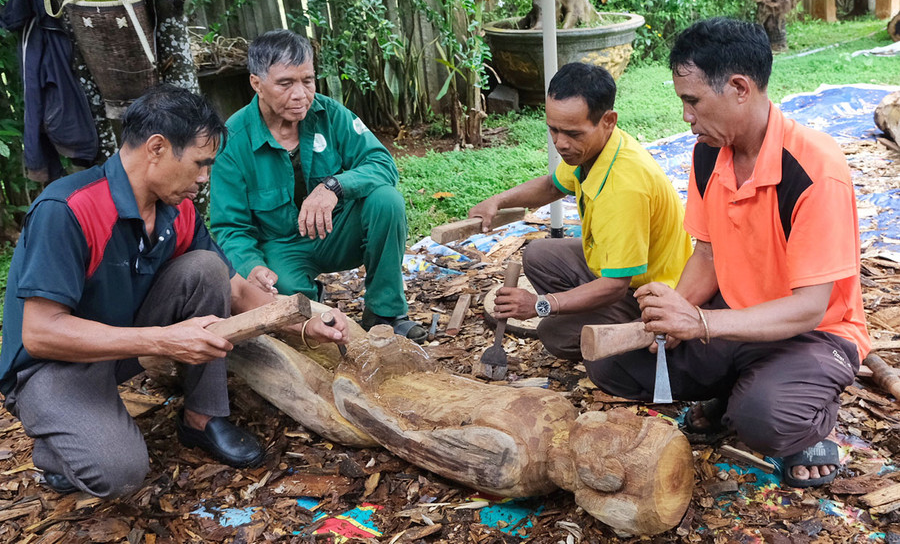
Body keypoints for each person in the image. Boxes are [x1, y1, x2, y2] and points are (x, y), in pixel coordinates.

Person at [0, 84, 349, 499]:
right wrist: (164, 340)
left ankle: (202, 417)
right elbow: (40, 334)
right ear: (157, 148)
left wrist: (305, 322)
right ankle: (57, 446)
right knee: (120, 473)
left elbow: (234, 286)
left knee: (206, 269)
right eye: (200, 164)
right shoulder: (69, 209)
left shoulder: (176, 209)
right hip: (50, 366)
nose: (205, 179)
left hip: (119, 345)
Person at [589, 17, 868, 488]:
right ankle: (737, 387)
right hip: (734, 321)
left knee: (764, 419)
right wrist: (675, 314)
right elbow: (708, 255)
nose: (686, 117)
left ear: (739, 87)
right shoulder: (707, 154)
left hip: (816, 334)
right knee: (611, 365)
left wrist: (700, 324)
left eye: (692, 100)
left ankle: (810, 424)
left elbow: (809, 307)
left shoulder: (815, 170)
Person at [210, 29, 426, 343]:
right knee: (288, 313)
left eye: (307, 80)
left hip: (337, 233)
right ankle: (313, 303)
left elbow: (383, 165)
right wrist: (251, 266)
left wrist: (334, 186)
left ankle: (385, 312)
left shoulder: (331, 114)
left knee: (386, 200)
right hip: (282, 246)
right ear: (256, 84)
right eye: (285, 83)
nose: (300, 94)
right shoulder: (233, 140)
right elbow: (230, 227)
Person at [468, 62, 693, 360]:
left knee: (554, 333)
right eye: (553, 129)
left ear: (608, 120)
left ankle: (632, 338)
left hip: (650, 293)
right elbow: (552, 186)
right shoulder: (597, 148)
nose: (560, 143)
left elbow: (615, 285)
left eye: (573, 133)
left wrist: (541, 305)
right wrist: (497, 201)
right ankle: (594, 316)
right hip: (617, 271)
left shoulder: (624, 187)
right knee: (539, 256)